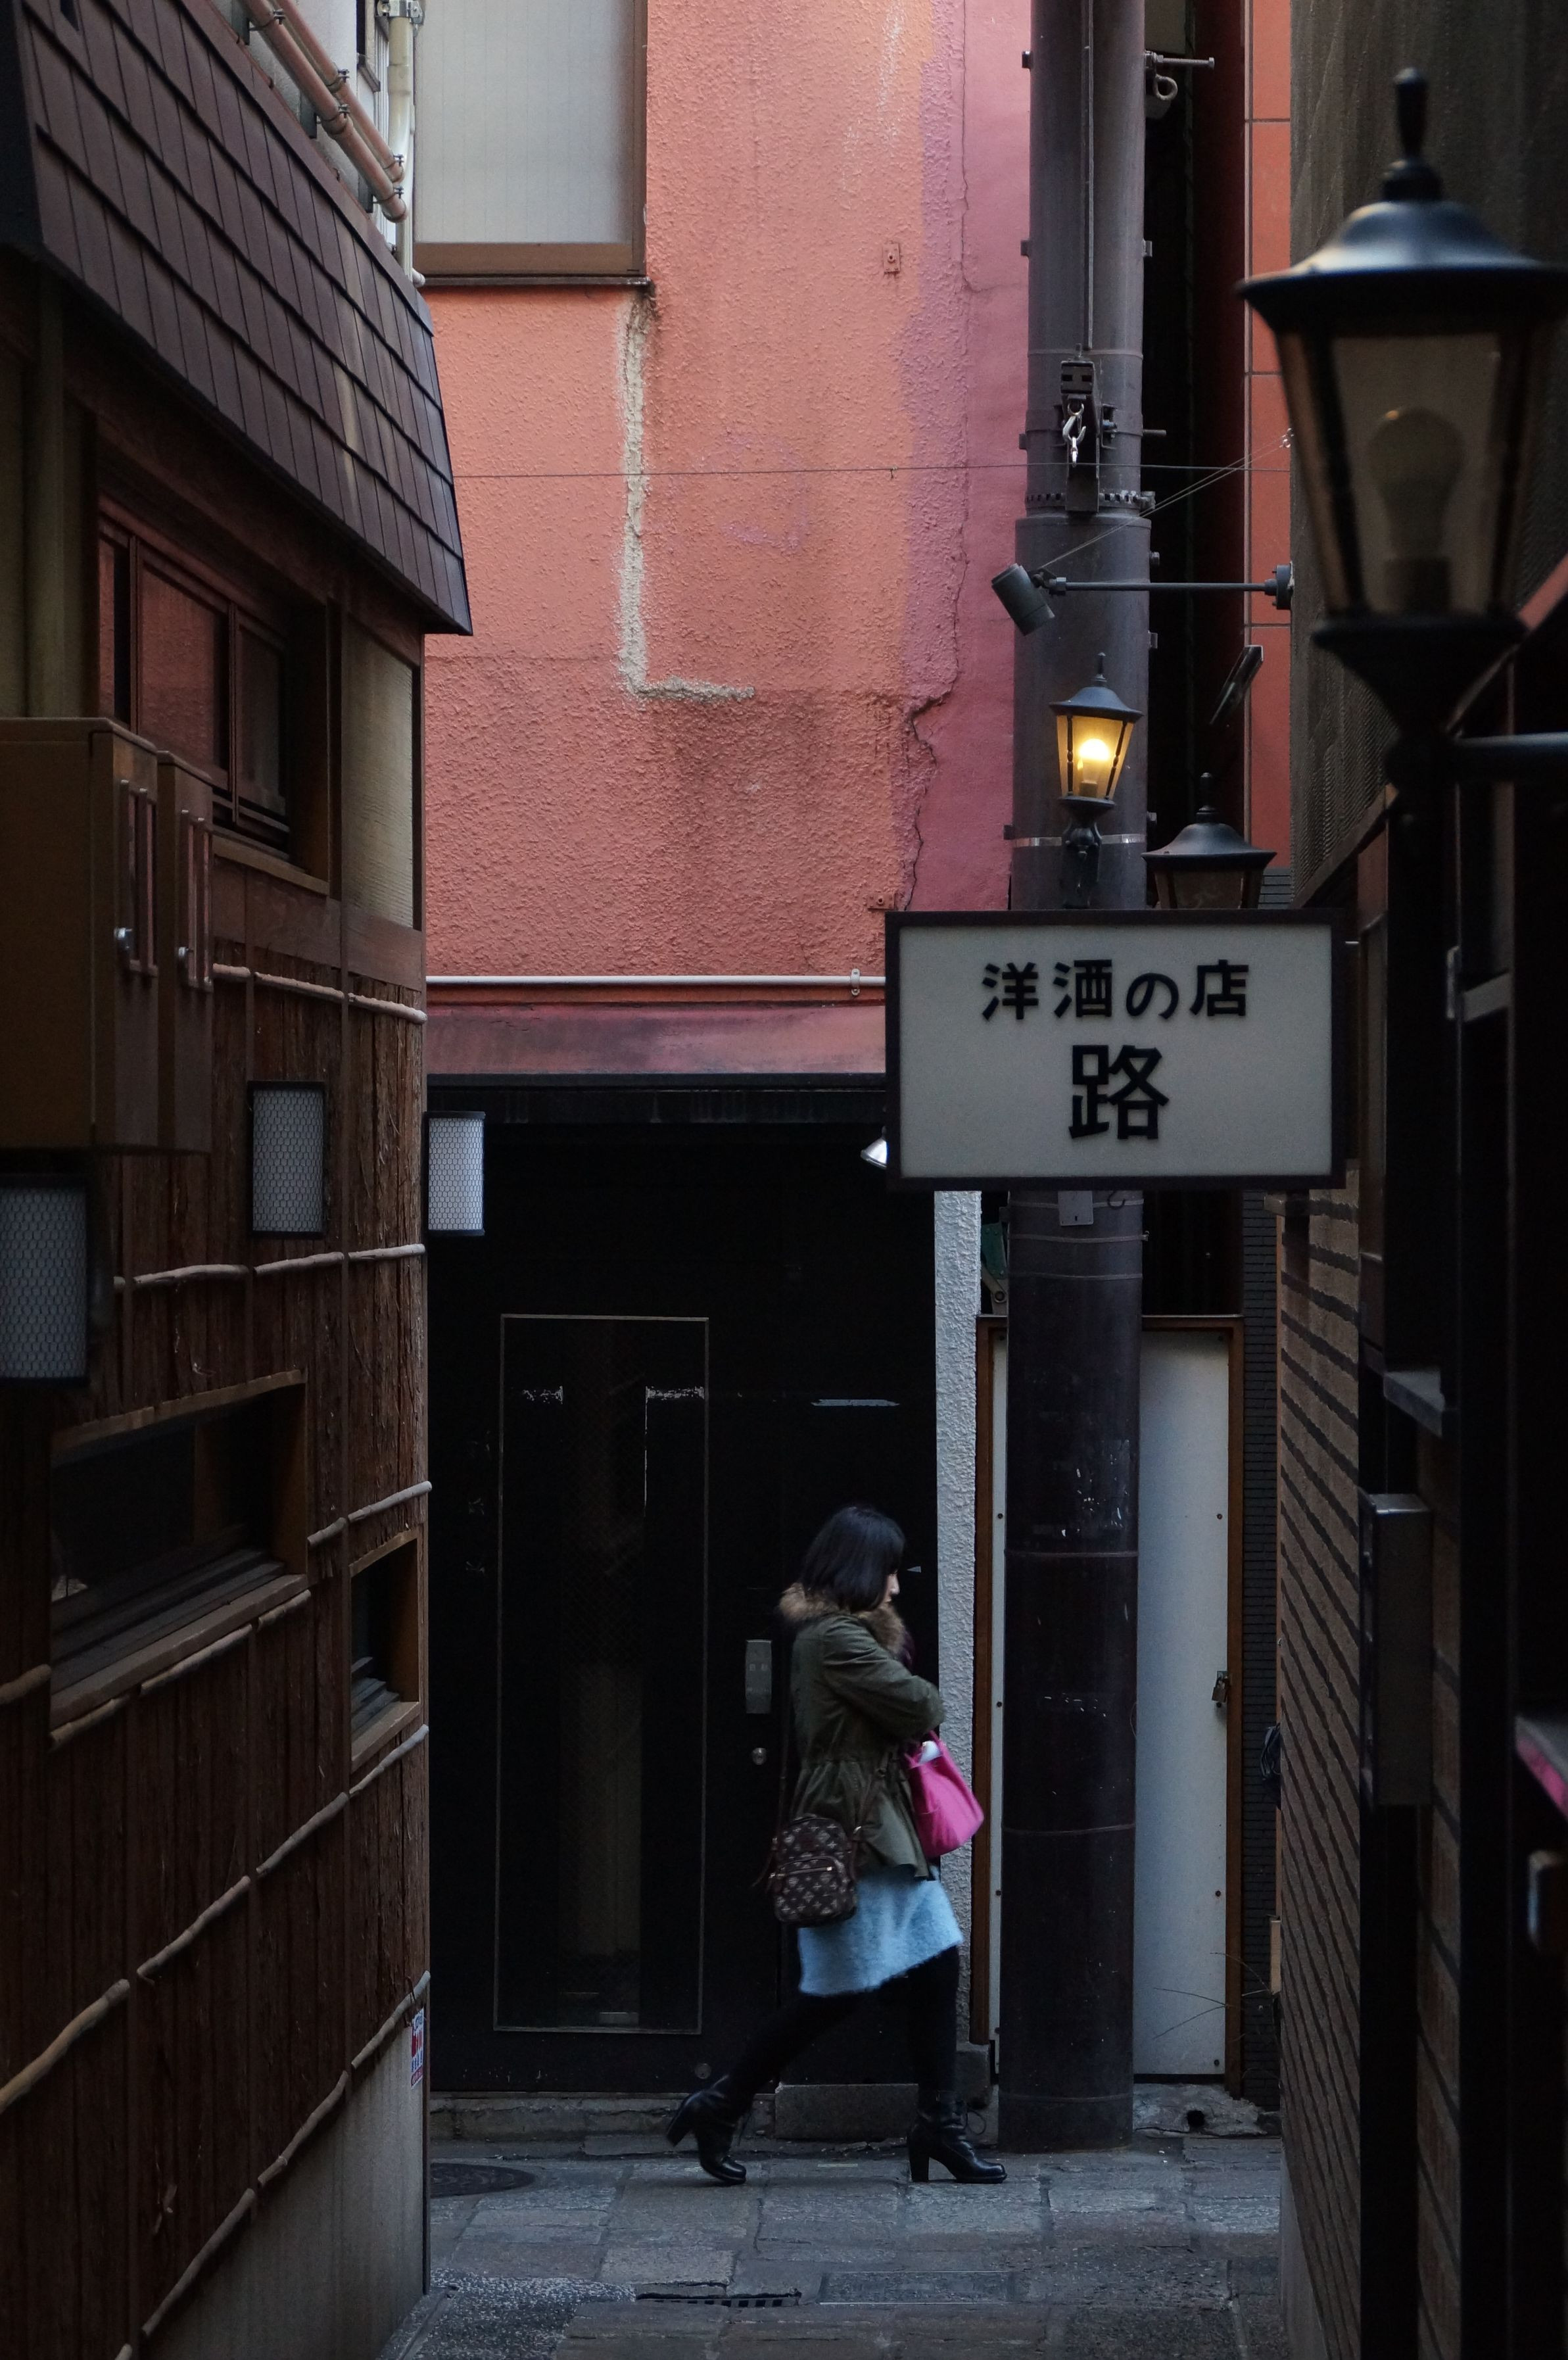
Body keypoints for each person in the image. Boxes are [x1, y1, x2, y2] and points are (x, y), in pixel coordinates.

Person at [667, 1503, 1004, 2187]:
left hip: (880, 1827)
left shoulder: (844, 1638)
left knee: (936, 1964)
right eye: (889, 1570)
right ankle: (722, 2102)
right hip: (857, 1830)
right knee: (834, 1992)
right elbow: (922, 1704)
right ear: (859, 1569)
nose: (897, 1585)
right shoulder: (834, 1639)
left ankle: (939, 2125)